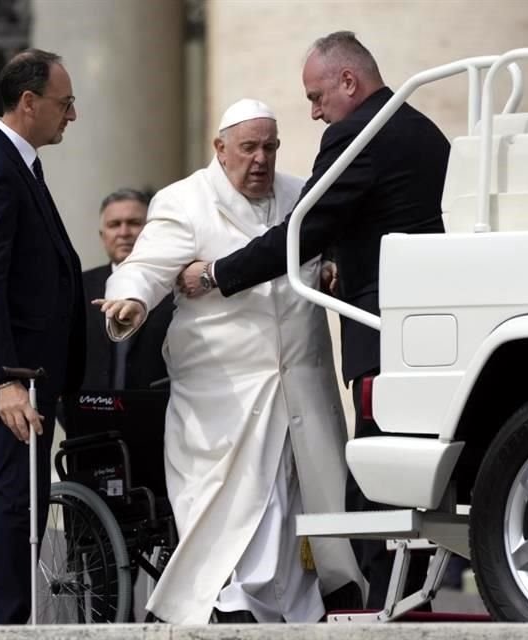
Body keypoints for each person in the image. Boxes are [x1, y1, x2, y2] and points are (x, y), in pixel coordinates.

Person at [177, 31, 451, 610]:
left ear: (348, 82)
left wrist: (218, 275)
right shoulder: (423, 128)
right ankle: (409, 597)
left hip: (381, 329)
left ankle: (387, 606)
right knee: (410, 474)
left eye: (316, 95)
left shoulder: (355, 135)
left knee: (375, 475)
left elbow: (302, 228)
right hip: (427, 326)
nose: (314, 110)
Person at [97, 98, 365, 624]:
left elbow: (325, 248)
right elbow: (148, 265)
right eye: (248, 148)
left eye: (269, 147)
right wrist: (130, 298)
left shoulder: (299, 195)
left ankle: (292, 612)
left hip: (300, 387)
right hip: (223, 399)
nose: (260, 159)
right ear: (220, 149)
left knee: (294, 510)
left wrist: (332, 266)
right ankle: (234, 606)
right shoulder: (186, 201)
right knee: (238, 510)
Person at [0, 48, 86, 625]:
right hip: (13, 376)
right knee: (14, 506)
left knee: (7, 504)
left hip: (26, 371)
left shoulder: (13, 161)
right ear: (29, 102)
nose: (71, 116)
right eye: (65, 103)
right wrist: (5, 379)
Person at [80, 188, 172, 391]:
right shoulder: (79, 286)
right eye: (114, 225)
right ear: (102, 235)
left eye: (134, 223)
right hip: (90, 415)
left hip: (162, 414)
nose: (124, 232)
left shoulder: (175, 286)